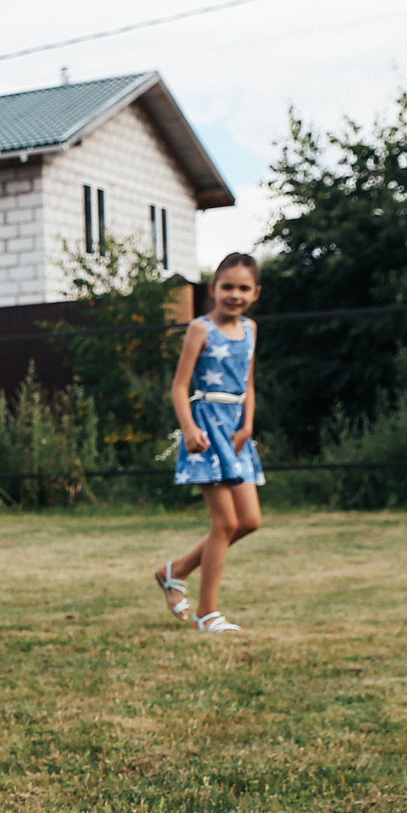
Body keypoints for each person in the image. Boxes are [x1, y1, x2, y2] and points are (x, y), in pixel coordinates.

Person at [153, 253, 265, 634]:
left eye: (244, 288)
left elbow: (248, 383)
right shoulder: (200, 329)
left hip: (237, 432)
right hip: (206, 431)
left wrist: (248, 425)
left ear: (256, 292)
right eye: (227, 286)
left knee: (249, 521)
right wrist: (188, 430)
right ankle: (207, 612)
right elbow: (179, 386)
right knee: (225, 522)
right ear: (214, 289)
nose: (235, 294)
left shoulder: (250, 329)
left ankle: (175, 571)